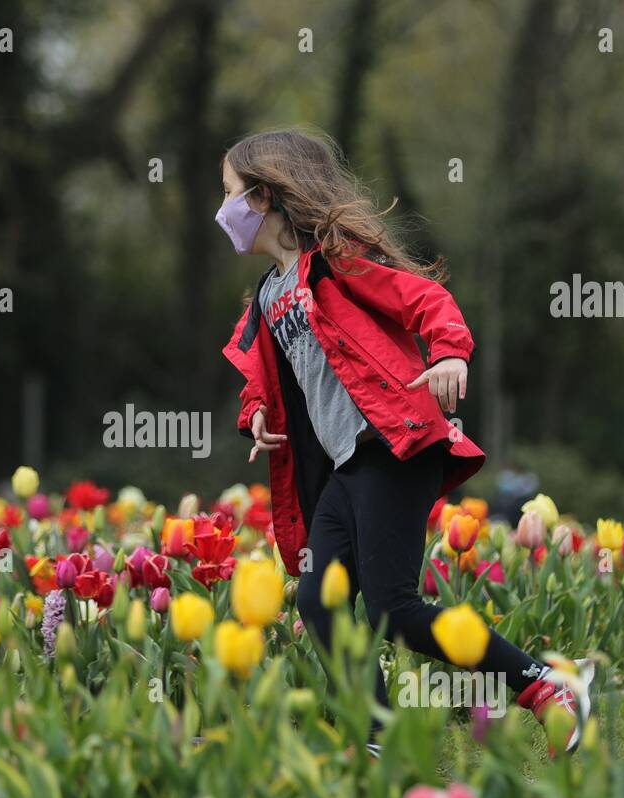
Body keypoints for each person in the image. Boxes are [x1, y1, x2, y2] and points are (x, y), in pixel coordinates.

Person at [216, 128, 592, 756]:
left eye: (228, 193)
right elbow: (262, 372)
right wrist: (255, 412)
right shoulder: (266, 296)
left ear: (263, 197)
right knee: (317, 596)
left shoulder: (336, 261)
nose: (220, 210)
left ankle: (545, 686)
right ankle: (379, 737)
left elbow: (426, 300)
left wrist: (448, 354)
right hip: (346, 465)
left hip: (391, 448)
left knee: (393, 609)